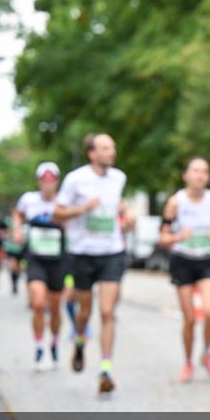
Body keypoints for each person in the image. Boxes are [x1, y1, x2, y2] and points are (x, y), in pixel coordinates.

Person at [54, 133, 135, 394]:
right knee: (85, 311)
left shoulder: (119, 177)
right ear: (92, 153)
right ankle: (80, 341)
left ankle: (106, 369)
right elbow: (57, 212)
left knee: (108, 311)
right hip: (82, 252)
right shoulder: (75, 179)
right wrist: (83, 208)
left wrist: (127, 213)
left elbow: (117, 205)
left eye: (113, 147)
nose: (112, 152)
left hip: (112, 251)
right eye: (105, 148)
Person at [160, 158, 210, 382]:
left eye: (204, 171)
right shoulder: (176, 202)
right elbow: (163, 238)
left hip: (208, 260)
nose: (200, 175)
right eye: (195, 171)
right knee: (190, 319)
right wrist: (177, 237)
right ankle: (188, 362)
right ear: (186, 175)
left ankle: (207, 353)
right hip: (183, 261)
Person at [14, 162, 67, 371]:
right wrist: (17, 230)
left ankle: (53, 341)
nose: (48, 184)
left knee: (55, 306)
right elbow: (17, 214)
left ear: (57, 182)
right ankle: (38, 345)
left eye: (51, 180)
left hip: (58, 259)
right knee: (37, 303)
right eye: (44, 180)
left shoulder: (64, 202)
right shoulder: (29, 199)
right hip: (35, 257)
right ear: (38, 182)